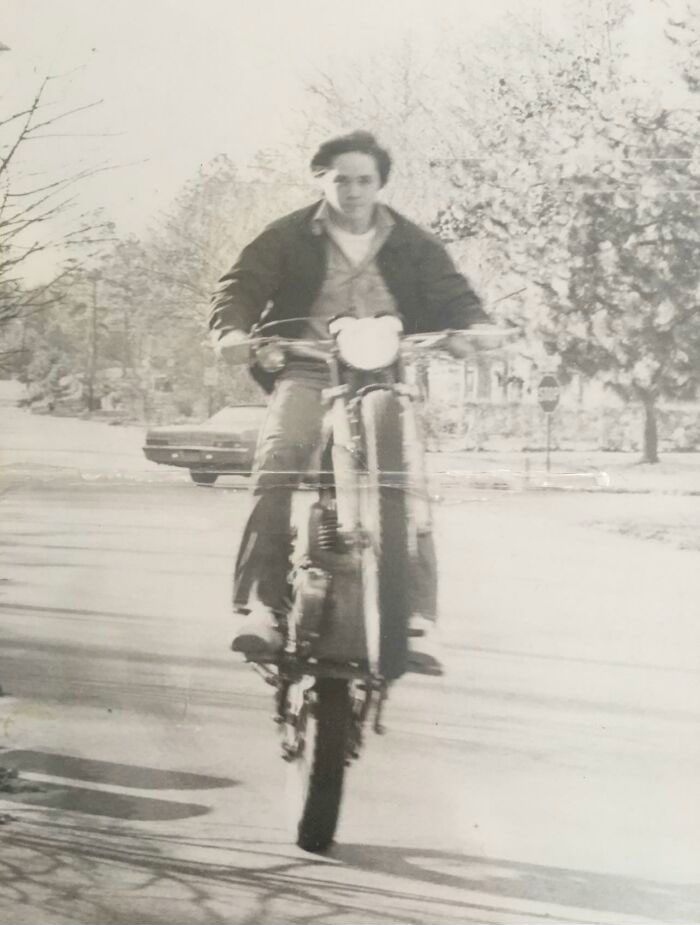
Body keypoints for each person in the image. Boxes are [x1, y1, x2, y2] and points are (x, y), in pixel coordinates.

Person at [209, 130, 487, 659]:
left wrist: (473, 326)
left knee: (411, 478)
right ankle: (266, 608)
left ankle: (414, 617)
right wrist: (231, 332)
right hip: (310, 367)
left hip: (387, 374)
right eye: (342, 180)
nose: (354, 191)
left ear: (380, 183)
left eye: (365, 180)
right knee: (278, 461)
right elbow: (240, 286)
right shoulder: (287, 236)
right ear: (321, 180)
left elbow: (453, 292)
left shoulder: (411, 241)